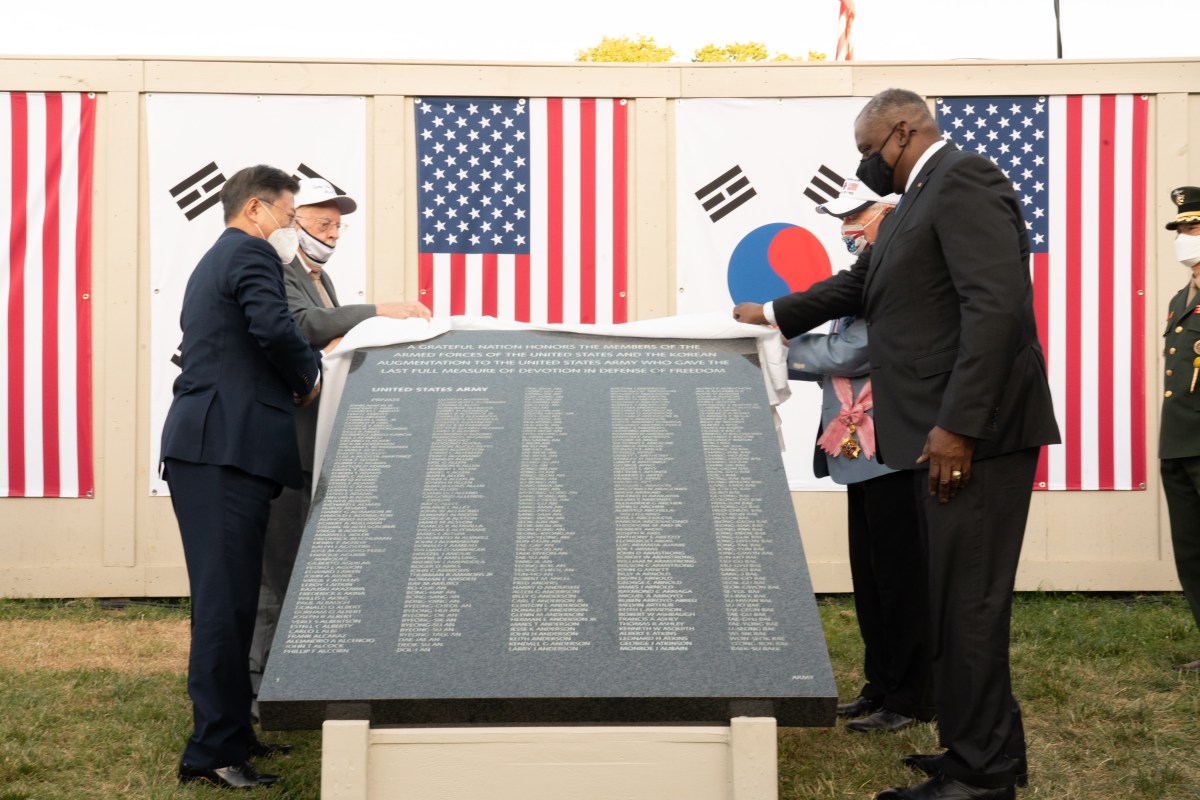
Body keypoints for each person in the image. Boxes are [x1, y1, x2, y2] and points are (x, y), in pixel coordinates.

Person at [734, 88, 1060, 800]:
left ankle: (982, 778)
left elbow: (997, 307)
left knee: (968, 605)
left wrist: (960, 426)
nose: (864, 164)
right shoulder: (913, 202)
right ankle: (980, 752)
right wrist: (769, 314)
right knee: (951, 600)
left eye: (867, 148)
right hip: (934, 436)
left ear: (903, 131)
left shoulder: (964, 179)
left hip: (976, 436)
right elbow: (858, 288)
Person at [161, 165, 321, 790]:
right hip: (221, 451)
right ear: (256, 209)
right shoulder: (252, 254)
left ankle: (233, 733)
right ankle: (210, 754)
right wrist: (306, 379)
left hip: (219, 451)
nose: (291, 226)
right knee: (225, 605)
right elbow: (275, 328)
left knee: (229, 599)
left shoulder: (218, 258)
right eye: (288, 214)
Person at [248, 177, 430, 715]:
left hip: (311, 448)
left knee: (296, 565)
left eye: (337, 225)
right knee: (274, 572)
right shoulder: (277, 271)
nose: (331, 233)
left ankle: (285, 681)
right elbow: (303, 325)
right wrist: (377, 312)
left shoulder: (320, 278)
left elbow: (323, 333)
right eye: (320, 222)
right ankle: (259, 693)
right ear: (289, 219)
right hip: (283, 446)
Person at [788, 179, 933, 734]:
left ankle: (913, 697)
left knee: (902, 581)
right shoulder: (869, 279)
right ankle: (881, 686)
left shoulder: (905, 277)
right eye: (841, 219)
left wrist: (774, 346)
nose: (847, 230)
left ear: (890, 215)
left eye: (857, 217)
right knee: (872, 580)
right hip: (860, 456)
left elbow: (853, 350)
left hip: (896, 453)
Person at [1158, 185, 1200, 671]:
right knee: (1192, 554)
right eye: (1181, 229)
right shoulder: (1178, 299)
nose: (1184, 237)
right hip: (1179, 443)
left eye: (1192, 228)